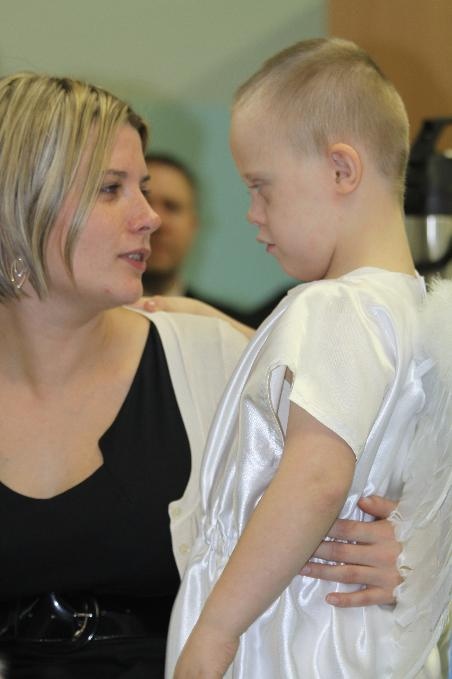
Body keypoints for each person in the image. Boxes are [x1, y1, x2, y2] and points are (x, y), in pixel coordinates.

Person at [0, 71, 407, 679]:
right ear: (18, 203)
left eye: (143, 189)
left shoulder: (215, 360)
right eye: (111, 189)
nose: (149, 218)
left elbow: (400, 454)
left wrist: (411, 551)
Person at [163, 38, 448, 678]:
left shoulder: (330, 307)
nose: (252, 214)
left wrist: (217, 629)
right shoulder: (420, 316)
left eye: (261, 187)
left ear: (342, 170)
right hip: (373, 640)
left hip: (294, 632)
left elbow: (315, 479)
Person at [144, 152, 286, 328]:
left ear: (193, 226)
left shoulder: (230, 328)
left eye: (172, 207)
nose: (158, 222)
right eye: (146, 203)